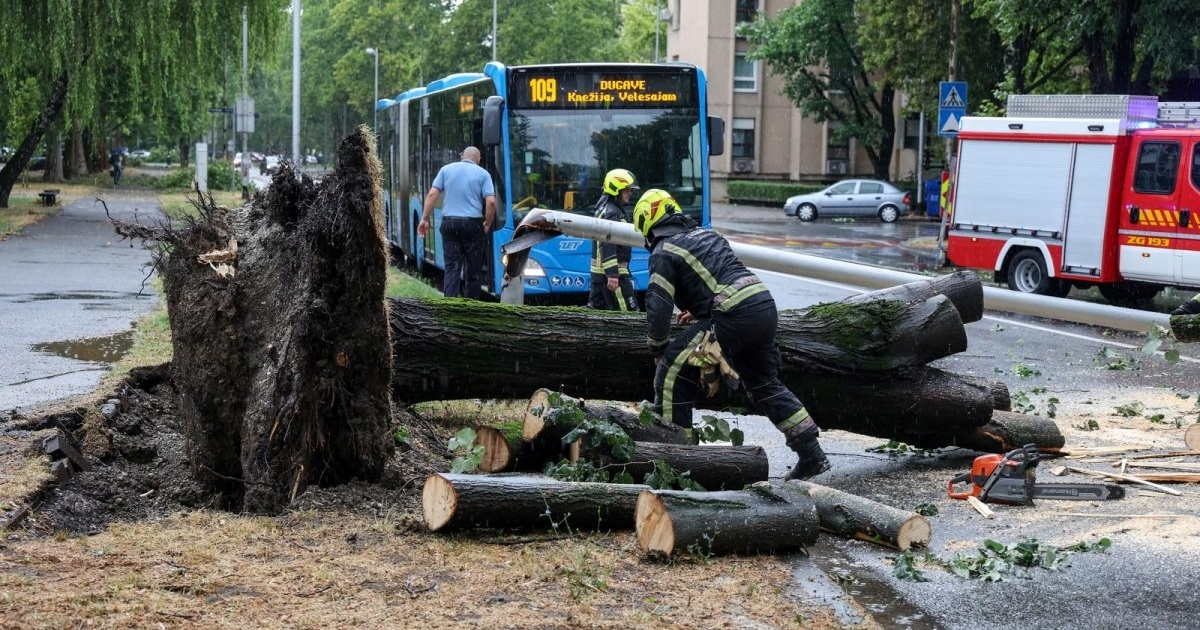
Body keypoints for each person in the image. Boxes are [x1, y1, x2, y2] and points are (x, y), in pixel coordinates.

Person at [633, 188, 831, 480]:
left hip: (734, 314)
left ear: (649, 225)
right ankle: (812, 454)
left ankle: (678, 466)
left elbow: (658, 305)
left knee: (672, 371)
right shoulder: (708, 235)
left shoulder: (664, 252)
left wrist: (657, 348)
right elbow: (715, 275)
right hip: (762, 307)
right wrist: (700, 311)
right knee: (764, 384)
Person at [418, 146, 497, 300]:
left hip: (450, 224)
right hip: (472, 225)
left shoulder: (446, 170)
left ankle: (450, 306)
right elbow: (491, 202)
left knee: (452, 268)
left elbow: (433, 193)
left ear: (462, 156)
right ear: (478, 160)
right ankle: (471, 307)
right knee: (473, 270)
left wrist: (424, 219)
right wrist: (487, 223)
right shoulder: (483, 174)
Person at [588, 168, 639, 311]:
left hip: (600, 276)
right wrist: (612, 274)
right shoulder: (612, 212)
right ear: (616, 189)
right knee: (629, 316)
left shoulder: (604, 208)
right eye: (627, 189)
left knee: (596, 317)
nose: (630, 193)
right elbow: (607, 242)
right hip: (612, 277)